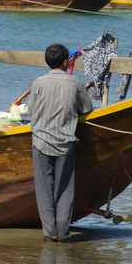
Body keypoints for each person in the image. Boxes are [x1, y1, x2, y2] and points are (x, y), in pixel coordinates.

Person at [27, 44, 93, 243]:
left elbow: (31, 110)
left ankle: (50, 233)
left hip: (41, 141)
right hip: (65, 142)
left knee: (44, 189)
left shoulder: (38, 83)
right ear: (66, 62)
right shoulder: (75, 83)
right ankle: (63, 233)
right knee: (64, 189)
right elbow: (87, 108)